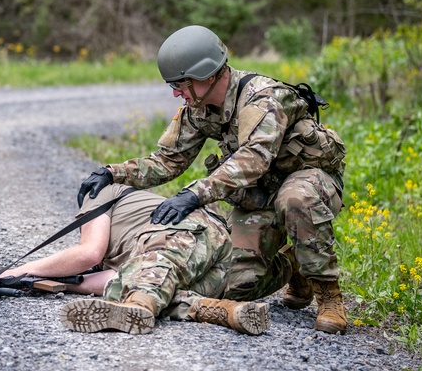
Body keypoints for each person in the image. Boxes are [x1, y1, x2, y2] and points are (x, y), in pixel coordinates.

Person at [78, 25, 349, 334]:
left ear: (207, 74)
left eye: (181, 83)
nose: (175, 92)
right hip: (259, 196)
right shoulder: (199, 108)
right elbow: (169, 160)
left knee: (295, 199)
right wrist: (113, 173)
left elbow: (254, 160)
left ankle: (328, 295)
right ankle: (294, 265)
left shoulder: (263, 98)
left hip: (308, 180)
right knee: (235, 285)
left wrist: (195, 194)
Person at [0, 184, 271, 336]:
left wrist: (22, 270)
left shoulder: (100, 195)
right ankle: (226, 311)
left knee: (148, 281)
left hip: (188, 229)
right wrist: (56, 282)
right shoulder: (127, 254)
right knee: (142, 286)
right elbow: (116, 279)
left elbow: (87, 254)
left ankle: (139, 308)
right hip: (206, 258)